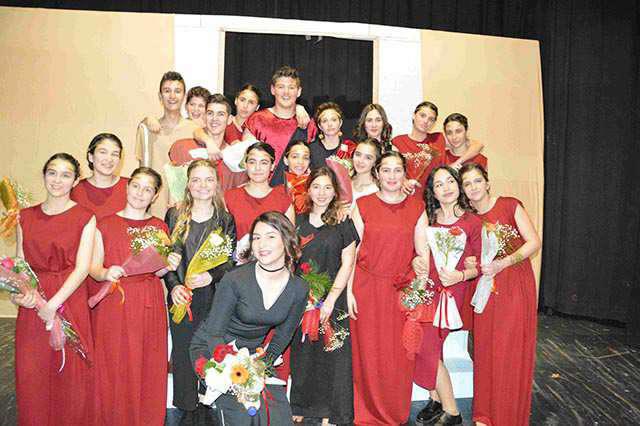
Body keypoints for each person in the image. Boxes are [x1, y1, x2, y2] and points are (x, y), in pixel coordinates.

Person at [190, 212, 309, 425]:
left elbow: (283, 336)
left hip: (252, 355)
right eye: (256, 237)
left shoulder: (299, 288)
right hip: (214, 350)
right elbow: (214, 333)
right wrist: (235, 370)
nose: (262, 244)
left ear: (287, 240)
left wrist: (262, 366)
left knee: (279, 417)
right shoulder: (235, 279)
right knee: (244, 415)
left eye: (270, 236)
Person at [89, 167, 180, 426]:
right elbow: (93, 268)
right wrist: (106, 272)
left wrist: (168, 265)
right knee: (114, 362)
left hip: (148, 301)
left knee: (147, 362)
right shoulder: (104, 224)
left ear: (155, 195)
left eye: (148, 189)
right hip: (115, 302)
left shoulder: (159, 226)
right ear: (127, 187)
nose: (140, 193)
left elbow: (158, 271)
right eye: (136, 186)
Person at [13, 153, 96, 425]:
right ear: (44, 175)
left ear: (75, 181)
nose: (57, 180)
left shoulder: (85, 217)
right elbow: (20, 265)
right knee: (32, 374)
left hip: (69, 299)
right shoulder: (25, 217)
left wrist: (52, 305)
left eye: (65, 175)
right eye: (52, 172)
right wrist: (21, 294)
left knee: (70, 376)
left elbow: (82, 268)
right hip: (33, 303)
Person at [349, 151, 428, 425]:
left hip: (400, 292)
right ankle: (364, 412)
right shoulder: (363, 205)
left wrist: (417, 294)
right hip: (365, 288)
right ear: (377, 174)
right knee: (367, 353)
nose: (392, 176)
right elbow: (351, 252)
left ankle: (394, 412)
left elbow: (423, 254)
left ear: (404, 174)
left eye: (397, 170)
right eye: (386, 170)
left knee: (397, 357)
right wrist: (348, 292)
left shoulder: (417, 207)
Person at [460, 163, 540, 426]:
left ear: (487, 183)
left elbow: (534, 242)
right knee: (485, 350)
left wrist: (503, 263)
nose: (473, 187)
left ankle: (507, 416)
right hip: (486, 289)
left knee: (509, 351)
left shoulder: (509, 205)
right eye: (467, 183)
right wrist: (471, 263)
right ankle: (485, 415)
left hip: (514, 285)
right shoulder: (468, 220)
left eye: (477, 181)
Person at [164, 159, 236, 421]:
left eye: (208, 179)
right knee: (183, 353)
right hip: (180, 296)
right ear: (188, 184)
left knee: (210, 351)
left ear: (216, 184)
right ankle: (185, 408)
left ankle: (209, 405)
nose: (202, 185)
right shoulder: (174, 215)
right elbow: (165, 258)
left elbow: (230, 262)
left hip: (213, 296)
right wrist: (173, 286)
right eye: (196, 179)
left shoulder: (224, 219)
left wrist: (211, 276)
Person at [412, 166, 481, 426]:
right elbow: (417, 251)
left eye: (450, 181)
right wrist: (417, 262)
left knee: (427, 346)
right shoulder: (428, 218)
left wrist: (460, 275)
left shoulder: (472, 222)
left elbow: (478, 266)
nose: (446, 188)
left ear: (458, 184)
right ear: (433, 192)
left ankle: (452, 412)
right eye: (439, 184)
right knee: (427, 346)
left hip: (451, 291)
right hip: (426, 287)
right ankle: (436, 399)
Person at [289, 167, 358, 425]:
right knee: (303, 353)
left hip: (333, 299)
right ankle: (302, 405)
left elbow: (348, 261)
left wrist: (330, 299)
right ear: (308, 190)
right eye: (316, 186)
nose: (321, 193)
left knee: (333, 355)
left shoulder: (343, 221)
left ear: (335, 192)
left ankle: (331, 411)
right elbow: (289, 259)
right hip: (302, 299)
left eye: (328, 187)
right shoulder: (297, 220)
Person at [136, 71, 200, 217]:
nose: (172, 96)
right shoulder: (147, 129)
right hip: (154, 207)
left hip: (185, 208)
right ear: (160, 96)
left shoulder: (195, 130)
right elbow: (141, 170)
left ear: (184, 96)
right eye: (167, 91)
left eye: (177, 91)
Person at [392, 101, 483, 195]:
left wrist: (457, 163)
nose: (426, 121)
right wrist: (404, 180)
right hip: (410, 196)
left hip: (438, 196)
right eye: (422, 115)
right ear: (414, 115)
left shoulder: (439, 138)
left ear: (434, 123)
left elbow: (478, 145)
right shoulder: (398, 141)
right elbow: (392, 168)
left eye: (431, 119)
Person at [224, 142, 295, 260]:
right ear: (245, 164)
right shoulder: (230, 197)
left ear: (272, 166)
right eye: (252, 162)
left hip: (273, 264)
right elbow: (222, 238)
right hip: (237, 265)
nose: (257, 168)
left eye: (264, 162)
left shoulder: (283, 198)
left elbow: (289, 240)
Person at [243, 65, 317, 167]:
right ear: (273, 89)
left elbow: (313, 162)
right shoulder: (256, 120)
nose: (286, 92)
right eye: (281, 87)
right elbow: (246, 162)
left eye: (291, 87)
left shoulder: (308, 123)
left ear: (299, 91)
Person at [71, 133, 128, 220]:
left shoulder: (131, 187)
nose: (109, 159)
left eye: (115, 154)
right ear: (90, 157)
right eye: (103, 152)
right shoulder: (74, 190)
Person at [308, 102, 356, 169]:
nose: (329, 124)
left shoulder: (351, 147)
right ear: (320, 126)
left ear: (340, 123)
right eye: (324, 121)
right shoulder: (311, 149)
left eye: (334, 120)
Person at [279, 139, 312, 214]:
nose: (300, 162)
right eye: (295, 157)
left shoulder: (315, 184)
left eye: (305, 158)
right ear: (286, 160)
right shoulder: (277, 186)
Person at [350, 138, 381, 205]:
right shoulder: (344, 182)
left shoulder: (376, 190)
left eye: (368, 158)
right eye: (358, 154)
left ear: (375, 162)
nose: (360, 161)